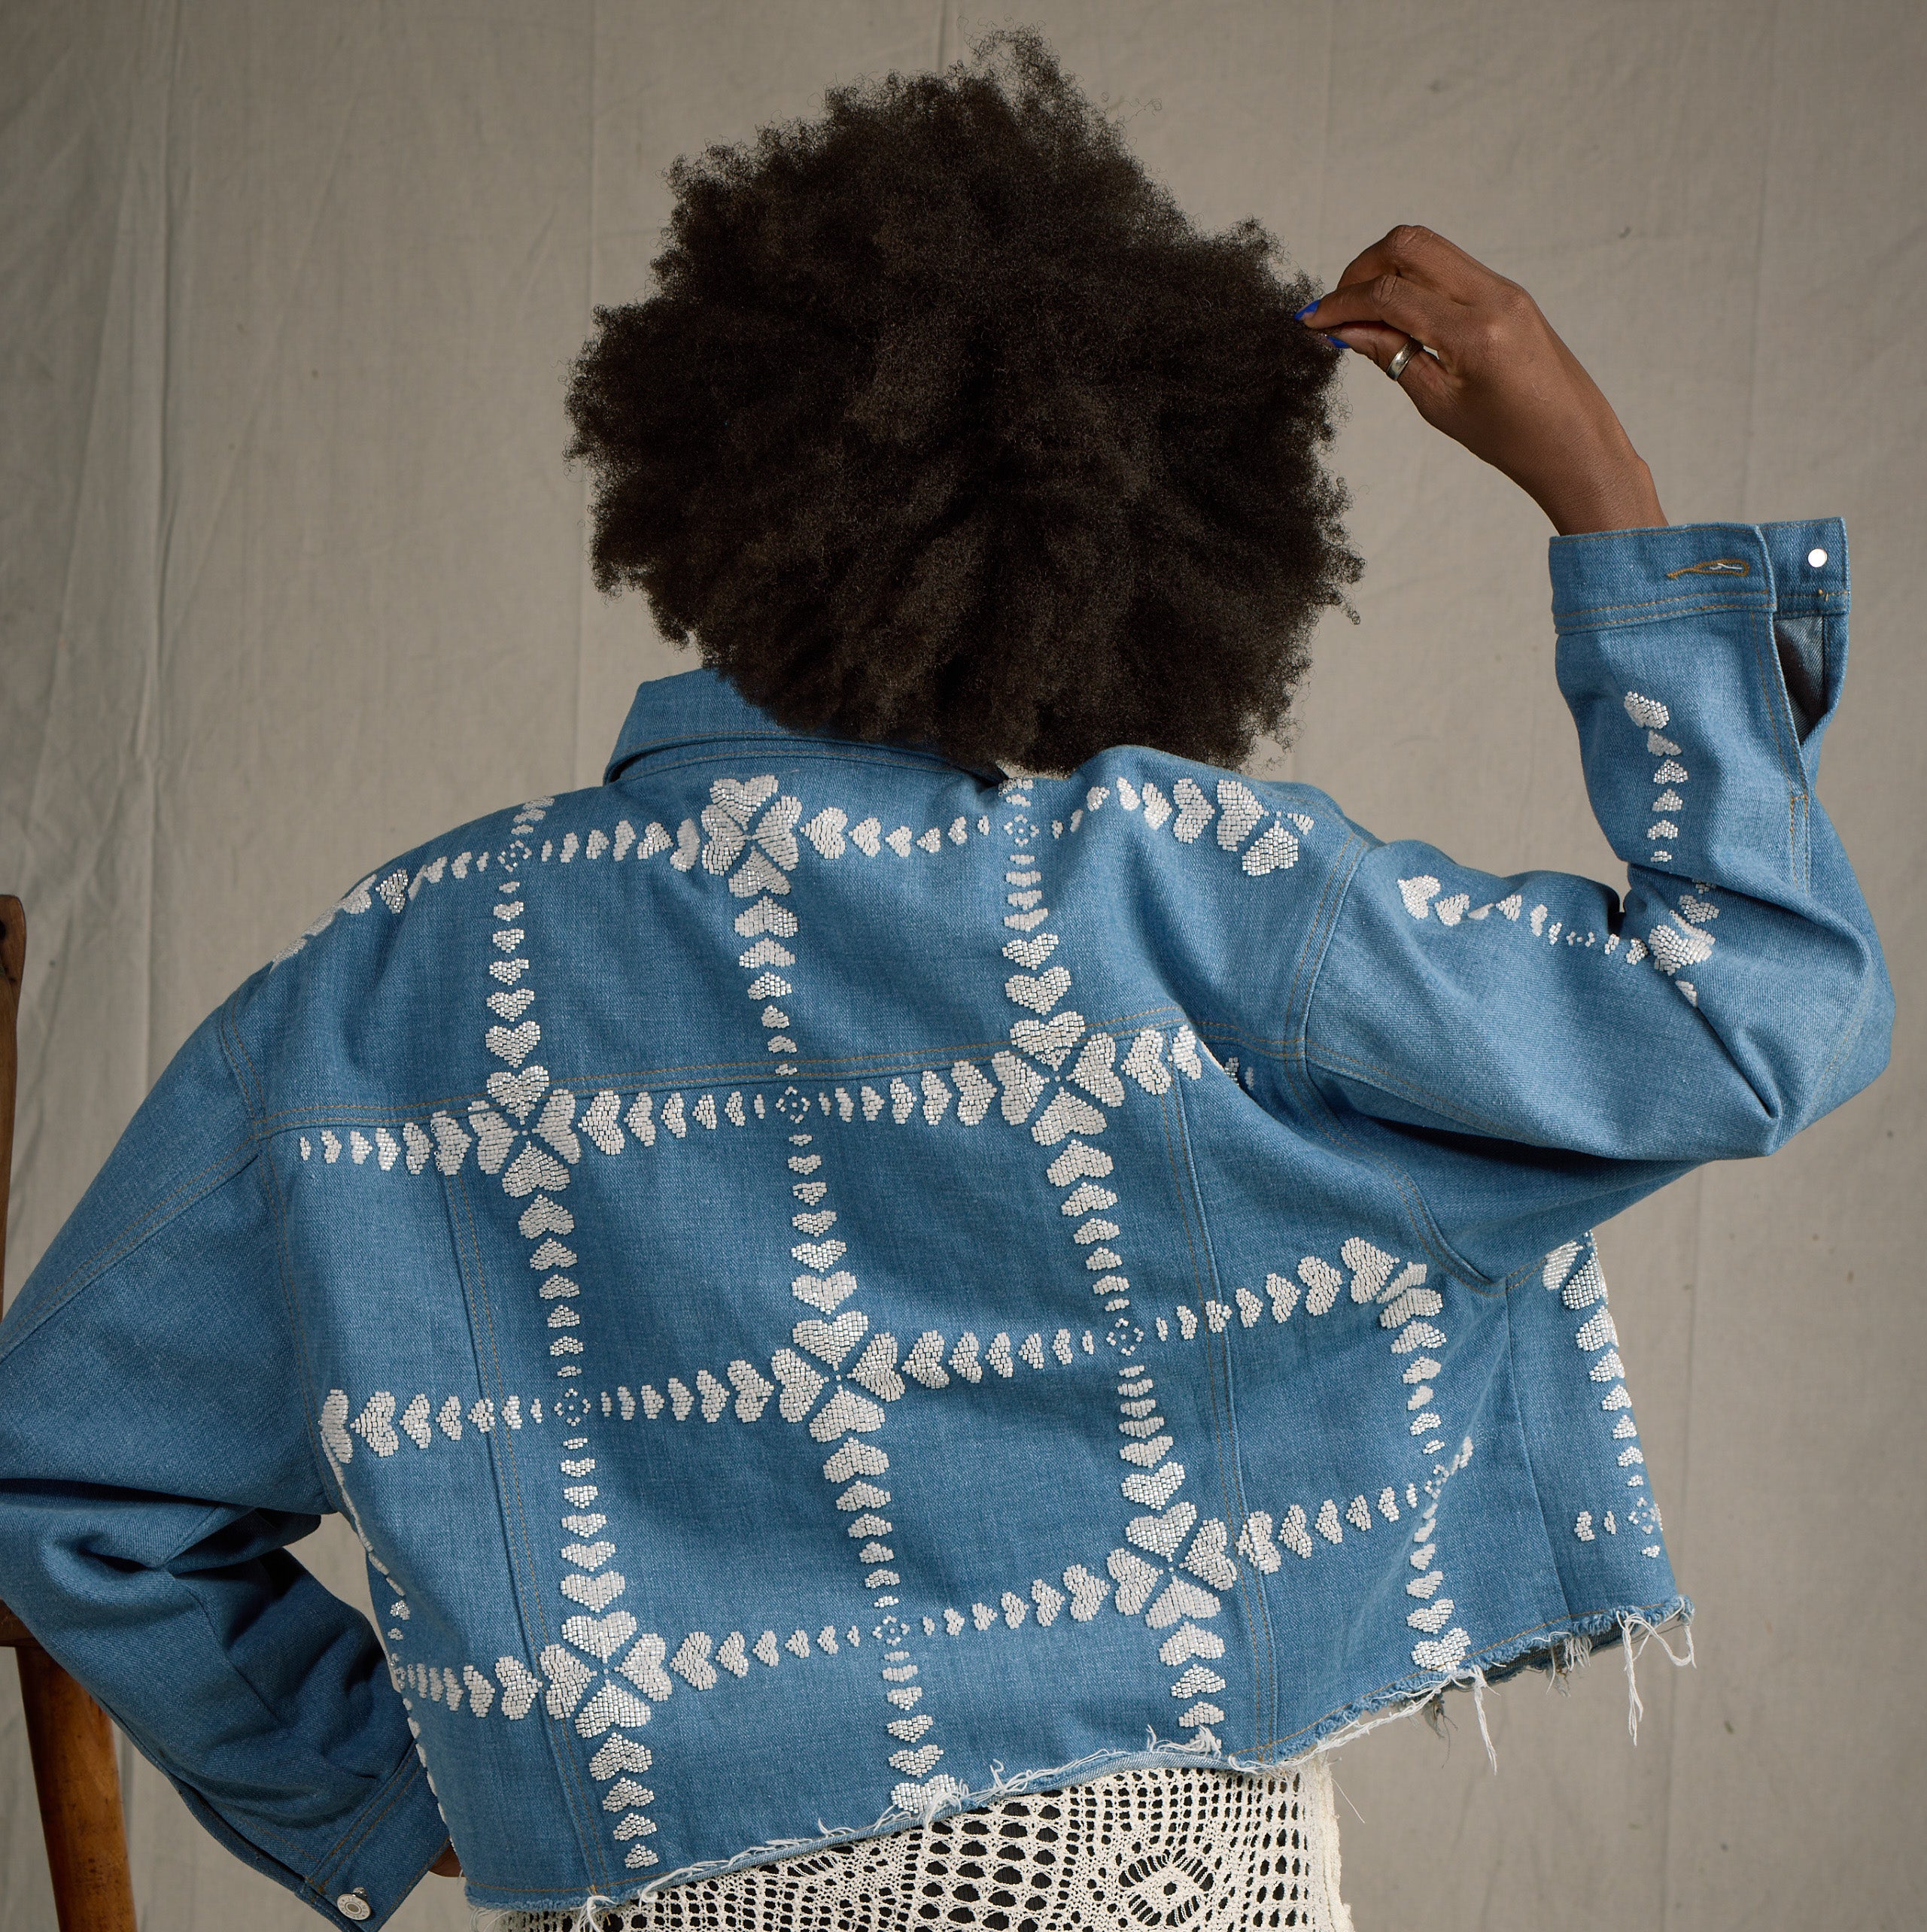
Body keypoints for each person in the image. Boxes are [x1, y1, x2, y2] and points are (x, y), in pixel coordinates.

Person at [0, 26, 1889, 1932]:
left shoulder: (396, 977)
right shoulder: (1185, 903)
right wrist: (1601, 486)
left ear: (707, 479)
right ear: (1156, 545)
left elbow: (61, 1478)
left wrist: (416, 1784)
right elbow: (1741, 1017)